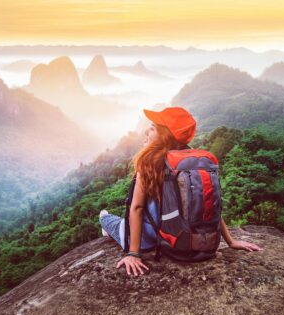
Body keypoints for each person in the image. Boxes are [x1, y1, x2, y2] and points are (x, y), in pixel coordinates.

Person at [98, 106, 262, 277]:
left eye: (153, 128)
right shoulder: (195, 165)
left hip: (148, 239)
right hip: (177, 238)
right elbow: (206, 204)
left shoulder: (148, 163)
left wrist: (133, 253)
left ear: (165, 135)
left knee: (110, 221)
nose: (147, 130)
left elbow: (137, 208)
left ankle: (103, 219)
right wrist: (231, 241)